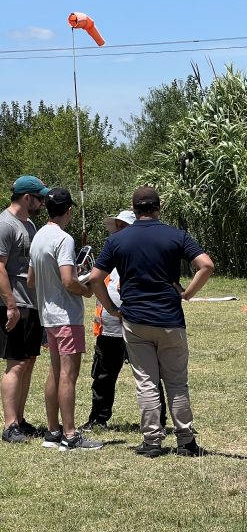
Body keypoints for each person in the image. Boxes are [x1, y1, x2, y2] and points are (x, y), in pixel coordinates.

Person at [89, 187, 214, 458]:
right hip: (170, 319)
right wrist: (187, 294)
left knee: (146, 382)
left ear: (133, 209)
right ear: (159, 207)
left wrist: (111, 308)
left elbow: (95, 278)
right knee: (176, 382)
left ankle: (152, 441)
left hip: (135, 320)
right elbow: (206, 265)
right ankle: (186, 441)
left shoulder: (117, 240)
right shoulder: (177, 235)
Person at [28, 188, 103, 451]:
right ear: (69, 210)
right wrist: (87, 289)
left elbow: (31, 280)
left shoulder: (38, 236)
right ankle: (70, 435)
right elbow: (69, 281)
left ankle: (52, 431)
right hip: (66, 316)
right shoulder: (64, 239)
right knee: (68, 376)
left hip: (48, 316)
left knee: (55, 371)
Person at [81, 210, 168, 431]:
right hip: (110, 327)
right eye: (117, 226)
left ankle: (158, 419)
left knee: (149, 375)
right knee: (103, 375)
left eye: (123, 226)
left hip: (138, 324)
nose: (119, 230)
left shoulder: (144, 254)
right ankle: (98, 418)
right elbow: (93, 282)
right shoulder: (108, 254)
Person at [0, 175, 49, 443]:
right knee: (16, 364)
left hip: (32, 304)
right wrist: (10, 304)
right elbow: (0, 267)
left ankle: (19, 420)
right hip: (14, 305)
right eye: (39, 198)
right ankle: (9, 426)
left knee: (28, 361)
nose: (42, 203)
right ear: (27, 197)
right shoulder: (5, 224)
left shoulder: (29, 224)